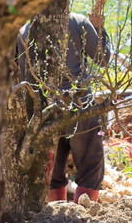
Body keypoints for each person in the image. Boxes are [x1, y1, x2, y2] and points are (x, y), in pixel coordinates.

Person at [17, 11, 110, 204]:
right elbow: (103, 59)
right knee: (90, 167)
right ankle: (85, 215)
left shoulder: (24, 31)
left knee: (52, 172)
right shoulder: (78, 21)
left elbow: (22, 77)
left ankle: (57, 217)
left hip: (44, 111)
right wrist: (99, 29)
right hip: (80, 106)